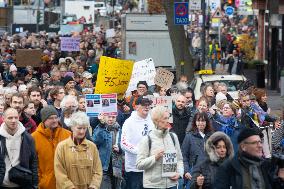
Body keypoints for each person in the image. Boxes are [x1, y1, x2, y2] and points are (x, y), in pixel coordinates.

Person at [214, 127, 284, 189]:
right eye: (255, 143)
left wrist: (281, 180)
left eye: (260, 142)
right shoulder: (228, 167)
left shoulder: (266, 165)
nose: (260, 146)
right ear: (243, 147)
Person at [136, 106, 184, 189]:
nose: (167, 121)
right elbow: (139, 164)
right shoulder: (147, 139)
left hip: (171, 185)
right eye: (165, 118)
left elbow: (179, 159)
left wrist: (179, 173)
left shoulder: (173, 137)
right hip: (153, 186)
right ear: (156, 120)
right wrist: (155, 157)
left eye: (168, 118)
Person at [54, 111, 103, 189]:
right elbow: (59, 172)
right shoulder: (62, 147)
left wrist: (94, 186)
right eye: (79, 128)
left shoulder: (92, 146)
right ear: (72, 127)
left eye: (84, 128)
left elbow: (98, 170)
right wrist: (69, 187)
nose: (82, 131)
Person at [32, 105, 71, 189]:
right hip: (45, 184)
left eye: (56, 117)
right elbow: (33, 163)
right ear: (44, 120)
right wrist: (40, 181)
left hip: (66, 184)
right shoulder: (34, 137)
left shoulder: (68, 135)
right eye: (50, 118)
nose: (54, 120)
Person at [121, 97, 155, 189]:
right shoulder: (129, 122)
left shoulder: (153, 121)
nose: (147, 107)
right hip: (134, 168)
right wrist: (140, 151)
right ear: (136, 107)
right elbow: (123, 143)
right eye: (144, 105)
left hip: (150, 167)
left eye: (148, 105)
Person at [0, 108, 38, 188]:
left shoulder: (28, 138)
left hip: (22, 184)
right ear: (3, 118)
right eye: (10, 118)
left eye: (16, 117)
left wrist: (34, 185)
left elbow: (33, 162)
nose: (13, 120)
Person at [182, 112, 214, 188]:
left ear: (206, 122)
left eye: (203, 121)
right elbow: (184, 155)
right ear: (195, 122)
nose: (200, 123)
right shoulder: (189, 136)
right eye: (198, 121)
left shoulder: (212, 136)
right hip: (193, 173)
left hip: (209, 173)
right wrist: (186, 171)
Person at [93, 115, 123, 189]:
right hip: (103, 167)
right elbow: (95, 141)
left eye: (113, 117)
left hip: (117, 167)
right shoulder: (100, 128)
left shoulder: (120, 130)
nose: (111, 119)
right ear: (104, 117)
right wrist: (101, 125)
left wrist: (120, 149)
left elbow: (125, 146)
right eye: (109, 117)